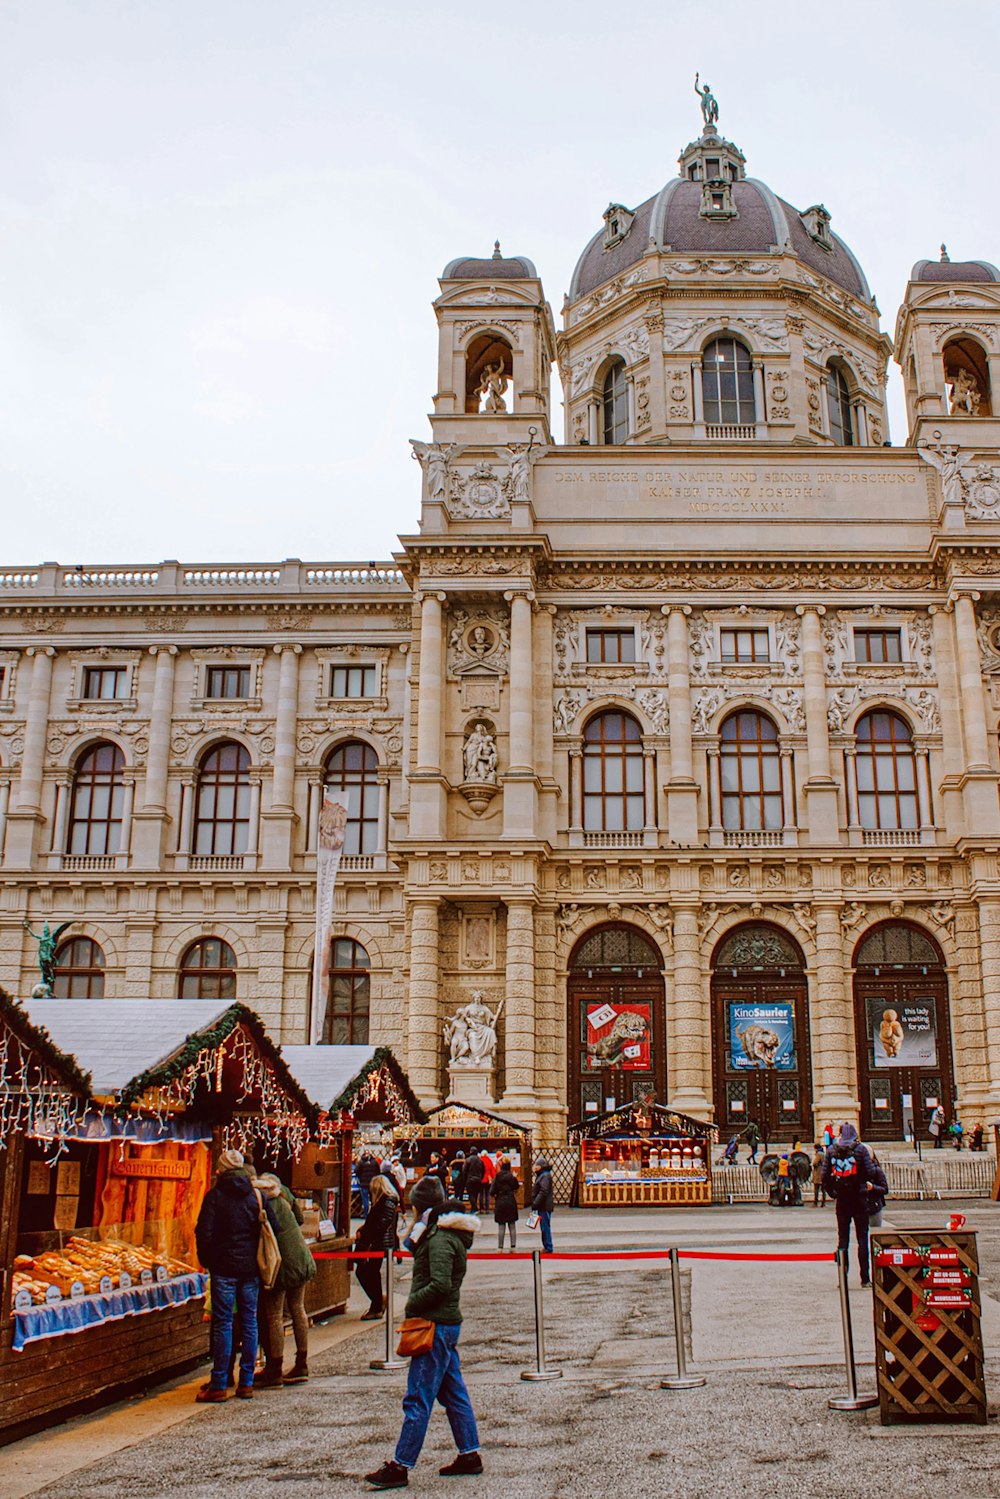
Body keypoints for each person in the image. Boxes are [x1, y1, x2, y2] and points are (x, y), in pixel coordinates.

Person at [365, 1179, 482, 1490]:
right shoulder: (440, 1232)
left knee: (418, 1394)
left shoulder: (441, 1237)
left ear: (423, 1206)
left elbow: (441, 1284)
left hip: (434, 1322)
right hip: (444, 1323)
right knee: (452, 1391)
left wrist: (413, 1302)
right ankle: (469, 1453)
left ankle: (401, 1464)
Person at [194, 1147, 279, 1402]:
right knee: (250, 1321)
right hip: (249, 1268)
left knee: (223, 1323)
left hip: (223, 1268)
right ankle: (247, 1382)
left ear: (220, 1170)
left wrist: (209, 1260)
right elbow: (273, 1226)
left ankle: (220, 1382)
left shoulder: (215, 1196)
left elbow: (204, 1232)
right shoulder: (255, 1195)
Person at [252, 1173, 317, 1387]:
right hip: (300, 1255)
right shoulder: (283, 1195)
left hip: (279, 1261)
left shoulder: (258, 1202)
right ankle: (302, 1363)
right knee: (298, 1308)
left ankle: (275, 1369)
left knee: (274, 1315)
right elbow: (299, 1219)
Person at [822, 1123, 887, 1288]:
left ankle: (842, 1279)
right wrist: (862, 1183)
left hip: (842, 1200)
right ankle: (865, 1278)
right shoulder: (861, 1149)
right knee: (862, 1238)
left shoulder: (831, 1151)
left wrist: (833, 1192)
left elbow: (824, 1176)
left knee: (842, 1240)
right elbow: (871, 1171)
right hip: (859, 1198)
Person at [354, 1175, 400, 1320]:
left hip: (377, 1244)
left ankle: (377, 1304)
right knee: (370, 1272)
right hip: (378, 1243)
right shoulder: (389, 1201)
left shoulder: (386, 1202)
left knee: (367, 1272)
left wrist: (368, 1239)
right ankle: (378, 1301)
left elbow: (381, 1225)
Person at [490, 1155, 520, 1252]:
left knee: (501, 1225)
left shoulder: (497, 1177)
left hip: (500, 1202)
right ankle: (513, 1246)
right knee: (512, 1225)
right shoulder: (512, 1177)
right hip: (511, 1201)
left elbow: (492, 1191)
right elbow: (516, 1187)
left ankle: (500, 1247)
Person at [531, 1156, 554, 1254]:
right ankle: (546, 1245)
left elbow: (543, 1191)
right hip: (543, 1205)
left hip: (544, 1205)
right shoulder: (543, 1175)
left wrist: (536, 1202)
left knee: (545, 1226)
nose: (535, 1167)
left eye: (537, 1165)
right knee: (544, 1226)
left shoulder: (544, 1176)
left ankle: (548, 1246)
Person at [356, 1150, 379, 1219]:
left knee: (365, 1200)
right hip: (373, 1184)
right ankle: (374, 1214)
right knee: (373, 1199)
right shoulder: (375, 1162)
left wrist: (360, 1178)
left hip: (363, 1184)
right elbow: (378, 1171)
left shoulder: (361, 1163)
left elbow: (357, 1171)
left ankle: (366, 1214)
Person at [462, 1148, 485, 1214]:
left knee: (471, 1194)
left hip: (470, 1180)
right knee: (475, 1194)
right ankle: (473, 1209)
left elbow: (464, 1170)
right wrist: (481, 1177)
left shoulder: (468, 1160)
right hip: (478, 1180)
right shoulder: (480, 1160)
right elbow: (483, 1170)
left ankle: (474, 1208)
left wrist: (465, 1179)